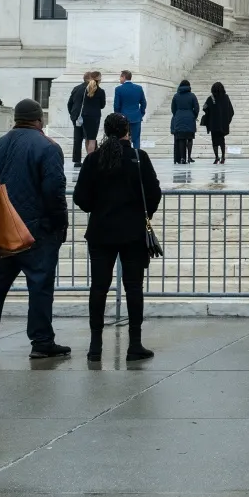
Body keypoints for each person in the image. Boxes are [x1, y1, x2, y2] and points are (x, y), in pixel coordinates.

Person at [72, 112, 161, 362]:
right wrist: (145, 213)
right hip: (133, 232)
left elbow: (81, 198)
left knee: (99, 287)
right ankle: (134, 344)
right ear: (127, 131)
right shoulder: (137, 157)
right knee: (133, 288)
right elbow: (154, 192)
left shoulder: (94, 159)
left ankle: (95, 346)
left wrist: (97, 209)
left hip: (101, 231)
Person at [0, 99, 70, 360]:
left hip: (2, 229)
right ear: (39, 120)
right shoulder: (48, 147)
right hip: (37, 230)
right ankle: (41, 340)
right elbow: (54, 191)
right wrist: (59, 224)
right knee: (40, 286)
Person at [76, 71, 106, 164]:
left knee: (87, 138)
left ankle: (88, 158)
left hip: (85, 115)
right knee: (92, 139)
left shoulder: (86, 89)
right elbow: (102, 105)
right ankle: (90, 160)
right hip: (95, 116)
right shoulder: (101, 91)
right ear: (99, 79)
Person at [202, 81, 235, 165]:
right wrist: (227, 121)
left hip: (213, 124)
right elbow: (231, 111)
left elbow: (204, 108)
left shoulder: (211, 98)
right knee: (222, 140)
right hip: (223, 124)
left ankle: (216, 157)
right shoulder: (226, 97)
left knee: (214, 141)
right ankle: (223, 157)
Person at [113, 69, 147, 151]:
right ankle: (137, 157)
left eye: (120, 77)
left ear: (124, 77)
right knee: (136, 139)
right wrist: (141, 113)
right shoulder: (138, 88)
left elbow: (116, 105)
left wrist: (117, 116)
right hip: (136, 117)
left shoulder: (118, 89)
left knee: (123, 139)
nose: (119, 79)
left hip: (123, 118)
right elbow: (143, 103)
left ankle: (124, 156)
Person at [169, 79, 200, 164]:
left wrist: (177, 115)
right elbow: (197, 108)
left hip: (179, 118)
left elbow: (173, 109)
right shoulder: (192, 96)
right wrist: (194, 115)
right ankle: (189, 157)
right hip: (190, 118)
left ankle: (182, 158)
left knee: (181, 139)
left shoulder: (176, 96)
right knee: (190, 138)